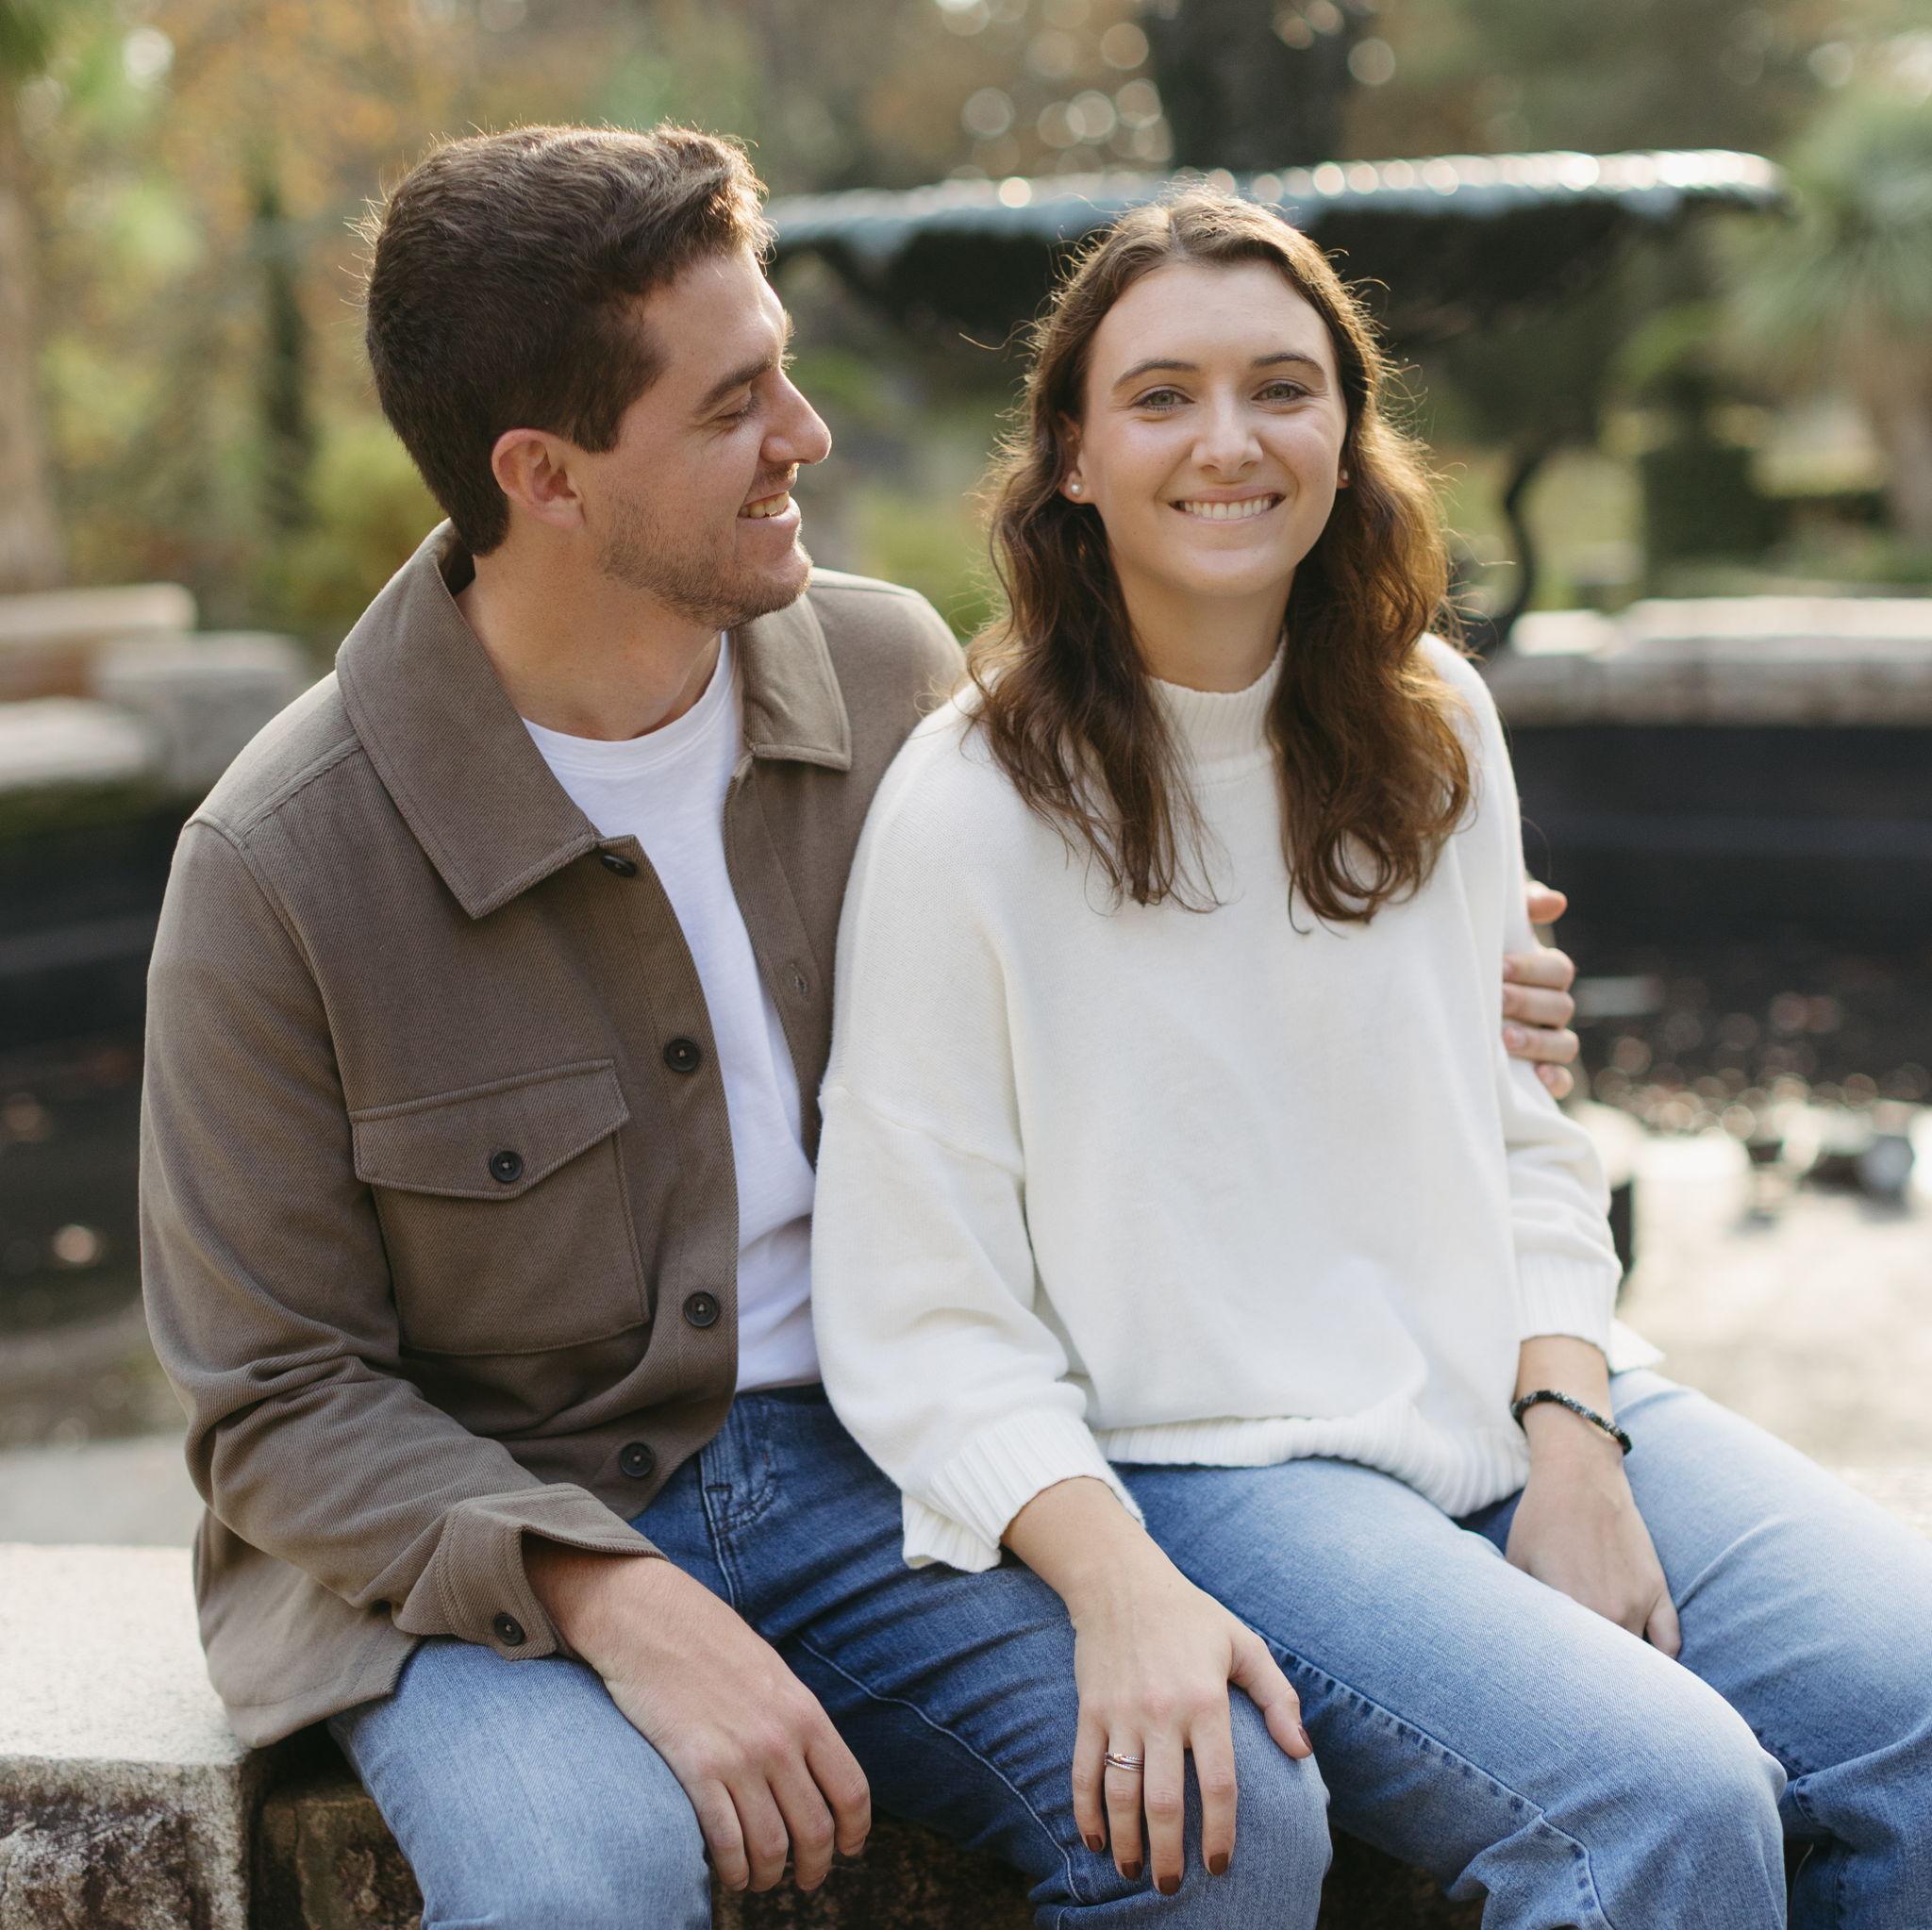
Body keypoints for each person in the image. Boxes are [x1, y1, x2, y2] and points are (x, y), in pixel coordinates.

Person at [141, 129, 1583, 1929]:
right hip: (486, 1545)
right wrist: (615, 1593)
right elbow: (274, 1400)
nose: (805, 435)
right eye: (736, 403)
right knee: (582, 1880)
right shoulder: (283, 864)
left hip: (875, 1474)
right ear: (547, 475)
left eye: (788, 372)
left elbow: (1141, 928)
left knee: (1223, 1813)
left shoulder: (899, 679)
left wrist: (1455, 987)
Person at [810, 189, 1932, 1928]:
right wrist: (1110, 1582)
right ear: (1075, 457)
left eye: (1282, 386)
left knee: (1919, 1704)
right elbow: (917, 1303)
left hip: (1518, 1393)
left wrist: (1574, 1432)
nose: (1230, 441)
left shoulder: (1430, 720)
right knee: (1665, 1798)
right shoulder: (973, 808)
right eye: (1162, 395)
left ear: (1347, 427)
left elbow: (1530, 1143)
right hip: (1220, 1462)